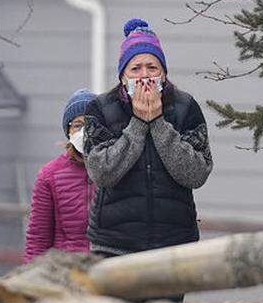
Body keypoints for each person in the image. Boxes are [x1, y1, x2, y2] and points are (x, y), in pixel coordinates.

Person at [84, 18, 213, 270]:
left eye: (152, 67)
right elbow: (102, 172)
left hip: (175, 243)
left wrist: (158, 123)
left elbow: (196, 173)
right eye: (135, 68)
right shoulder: (100, 109)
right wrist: (138, 125)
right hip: (114, 245)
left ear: (163, 73)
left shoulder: (185, 107)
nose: (144, 76)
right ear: (122, 76)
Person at [23, 88, 98, 263]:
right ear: (68, 130)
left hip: (108, 272)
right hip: (65, 272)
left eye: (91, 123)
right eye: (78, 125)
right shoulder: (50, 175)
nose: (84, 131)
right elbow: (37, 238)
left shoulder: (117, 166)